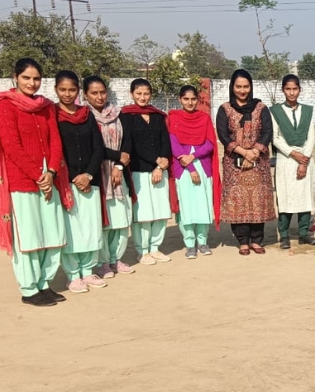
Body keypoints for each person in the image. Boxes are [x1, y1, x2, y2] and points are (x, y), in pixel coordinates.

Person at [0, 58, 73, 306]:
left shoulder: (45, 107)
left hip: (49, 176)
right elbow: (11, 145)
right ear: (15, 77)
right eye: (26, 78)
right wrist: (37, 175)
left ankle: (45, 283)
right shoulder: (5, 105)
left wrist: (52, 171)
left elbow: (55, 141)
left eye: (36, 79)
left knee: (53, 232)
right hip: (21, 180)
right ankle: (29, 288)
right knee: (29, 236)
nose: (32, 83)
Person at [54, 71, 107, 293]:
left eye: (72, 89)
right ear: (56, 90)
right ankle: (73, 274)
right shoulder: (52, 115)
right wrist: (72, 178)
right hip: (65, 183)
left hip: (89, 182)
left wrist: (88, 175)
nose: (67, 94)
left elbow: (98, 148)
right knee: (72, 230)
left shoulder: (87, 115)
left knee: (90, 228)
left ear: (78, 91)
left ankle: (88, 270)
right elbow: (54, 149)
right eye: (63, 89)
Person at [216, 69, 276, 255]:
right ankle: (242, 240)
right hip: (234, 163)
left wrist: (255, 152)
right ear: (232, 87)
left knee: (257, 199)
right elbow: (223, 134)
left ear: (251, 87)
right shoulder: (225, 109)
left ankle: (257, 240)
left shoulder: (261, 108)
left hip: (259, 162)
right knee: (238, 199)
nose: (242, 90)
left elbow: (267, 132)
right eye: (238, 86)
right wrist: (243, 152)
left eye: (246, 86)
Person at [83, 76, 135, 278]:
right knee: (103, 221)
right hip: (97, 174)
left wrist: (120, 166)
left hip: (118, 175)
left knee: (121, 220)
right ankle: (103, 262)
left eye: (102, 92)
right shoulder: (84, 116)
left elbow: (127, 143)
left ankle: (116, 259)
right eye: (94, 93)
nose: (99, 96)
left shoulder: (117, 114)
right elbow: (92, 147)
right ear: (85, 95)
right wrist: (116, 157)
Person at [120, 79, 172, 265]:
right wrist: (155, 161)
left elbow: (165, 141)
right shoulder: (126, 116)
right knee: (142, 213)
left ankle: (155, 247)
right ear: (132, 94)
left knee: (160, 210)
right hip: (139, 171)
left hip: (160, 170)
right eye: (138, 93)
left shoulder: (158, 116)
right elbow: (131, 145)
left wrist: (160, 166)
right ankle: (142, 251)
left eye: (146, 93)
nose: (142, 97)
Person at [168, 85, 220, 259]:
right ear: (179, 99)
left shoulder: (204, 118)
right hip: (182, 169)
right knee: (186, 207)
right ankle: (189, 243)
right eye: (186, 99)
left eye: (193, 99)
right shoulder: (174, 118)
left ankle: (203, 241)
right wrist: (189, 166)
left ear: (198, 100)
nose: (190, 102)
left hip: (203, 166)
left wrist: (193, 155)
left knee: (202, 205)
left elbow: (210, 143)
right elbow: (173, 144)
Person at [269, 74, 315, 249]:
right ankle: (284, 235)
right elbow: (275, 138)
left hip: (306, 158)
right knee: (285, 197)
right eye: (288, 89)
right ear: (283, 90)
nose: (291, 92)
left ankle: (304, 232)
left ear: (299, 89)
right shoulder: (275, 111)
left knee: (305, 196)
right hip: (286, 159)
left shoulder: (307, 111)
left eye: (294, 89)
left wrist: (303, 161)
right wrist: (293, 154)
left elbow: (311, 138)